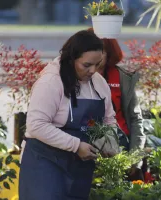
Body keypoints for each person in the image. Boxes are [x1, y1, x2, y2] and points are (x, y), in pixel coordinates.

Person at [19, 30, 117, 200]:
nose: (93, 70)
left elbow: (109, 119)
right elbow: (36, 125)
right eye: (86, 65)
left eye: (98, 64)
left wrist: (109, 141)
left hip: (80, 167)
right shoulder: (51, 82)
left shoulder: (99, 84)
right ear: (71, 59)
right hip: (44, 163)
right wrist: (76, 145)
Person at [88, 28, 146, 180]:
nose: (97, 56)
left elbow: (135, 119)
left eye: (102, 51)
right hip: (88, 150)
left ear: (110, 53)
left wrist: (135, 158)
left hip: (121, 147)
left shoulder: (122, 78)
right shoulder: (79, 77)